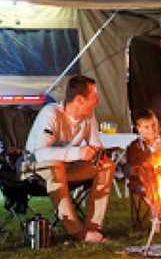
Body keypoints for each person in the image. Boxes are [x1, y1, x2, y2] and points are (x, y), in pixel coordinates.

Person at [23, 75, 114, 243]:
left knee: (106, 166)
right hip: (34, 170)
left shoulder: (88, 116)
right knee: (55, 165)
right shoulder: (51, 114)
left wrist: (99, 154)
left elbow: (95, 144)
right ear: (80, 100)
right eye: (94, 96)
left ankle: (93, 228)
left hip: (66, 170)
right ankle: (77, 232)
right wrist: (78, 153)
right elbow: (40, 153)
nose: (98, 101)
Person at [125, 108, 161, 196]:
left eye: (154, 125)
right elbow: (135, 166)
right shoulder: (135, 146)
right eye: (146, 127)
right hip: (141, 181)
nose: (151, 129)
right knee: (156, 191)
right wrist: (151, 149)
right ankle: (157, 209)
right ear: (139, 129)